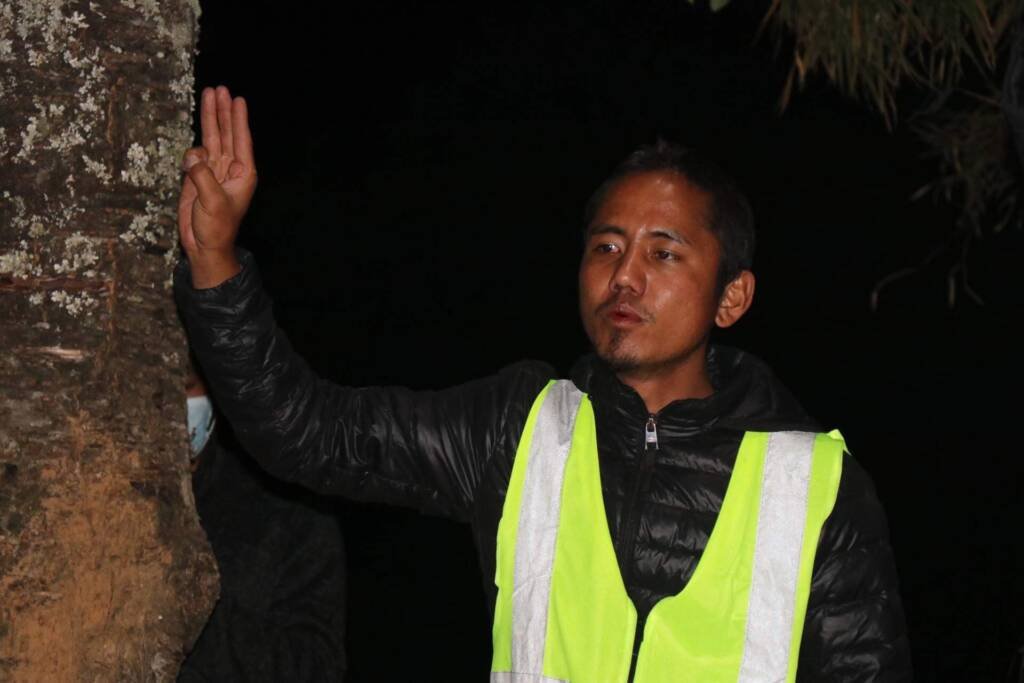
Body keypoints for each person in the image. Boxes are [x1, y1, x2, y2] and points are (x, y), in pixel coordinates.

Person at [175, 85, 911, 681]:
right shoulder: (520, 428)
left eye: (664, 253)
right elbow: (307, 432)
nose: (625, 276)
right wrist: (215, 260)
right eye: (607, 247)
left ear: (732, 297)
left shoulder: (816, 486)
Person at [177, 366, 347, 682]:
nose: (170, 406)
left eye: (185, 386)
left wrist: (187, 612)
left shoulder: (288, 513)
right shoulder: (88, 500)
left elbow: (316, 667)